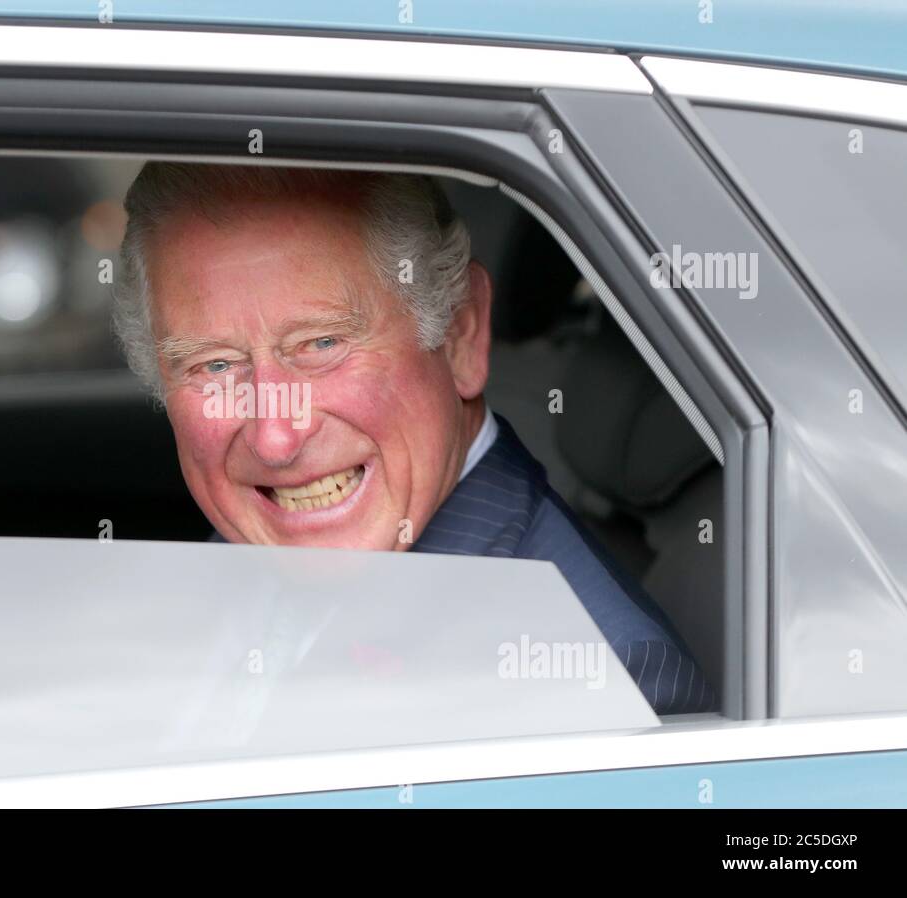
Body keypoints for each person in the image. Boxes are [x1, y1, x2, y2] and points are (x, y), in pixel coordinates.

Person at [112, 162, 715, 714]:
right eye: (214, 365)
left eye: (323, 345)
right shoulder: (234, 555)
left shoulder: (603, 690)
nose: (275, 439)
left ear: (459, 334)